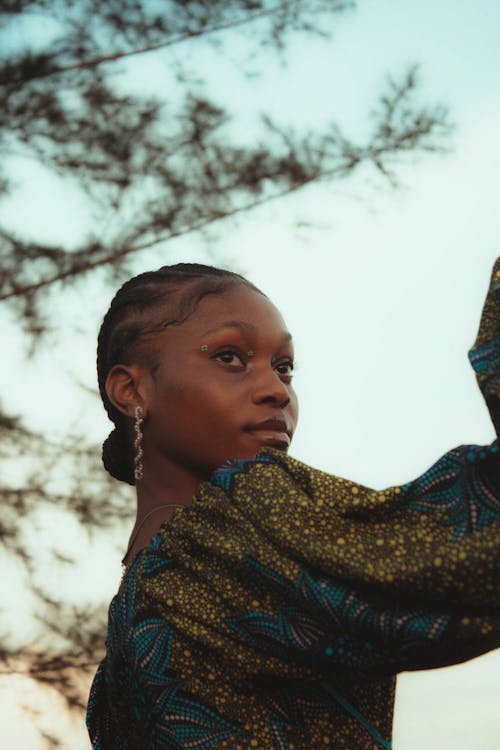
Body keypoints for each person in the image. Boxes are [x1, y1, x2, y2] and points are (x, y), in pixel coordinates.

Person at [87, 261, 500, 749]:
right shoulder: (237, 528)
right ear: (132, 390)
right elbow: (474, 546)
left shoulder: (119, 653)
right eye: (228, 356)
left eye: (284, 367)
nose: (276, 390)